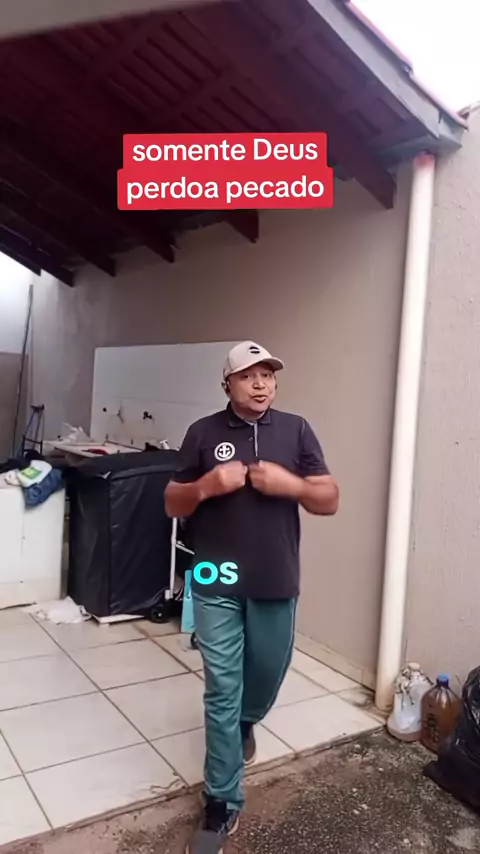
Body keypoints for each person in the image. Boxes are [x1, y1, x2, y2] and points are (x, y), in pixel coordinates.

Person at [164, 341, 339, 854]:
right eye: (248, 375)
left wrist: (291, 485)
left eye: (268, 374)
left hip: (274, 576)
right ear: (227, 384)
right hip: (215, 574)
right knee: (222, 686)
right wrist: (205, 486)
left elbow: (329, 499)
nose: (261, 383)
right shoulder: (202, 433)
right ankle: (221, 802)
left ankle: (246, 721)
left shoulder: (296, 430)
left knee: (264, 675)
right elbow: (171, 501)